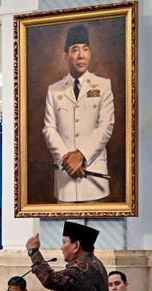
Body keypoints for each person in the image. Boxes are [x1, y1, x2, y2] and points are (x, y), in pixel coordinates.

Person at [42, 24, 114, 203]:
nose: (81, 55)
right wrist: (67, 162)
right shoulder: (54, 90)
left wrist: (81, 155)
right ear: (65, 55)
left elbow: (106, 126)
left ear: (90, 53)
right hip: (65, 182)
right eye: (75, 50)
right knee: (63, 222)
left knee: (99, 223)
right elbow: (49, 129)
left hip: (94, 180)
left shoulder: (103, 85)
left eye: (85, 49)